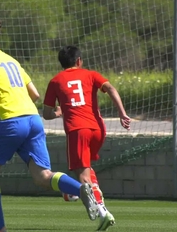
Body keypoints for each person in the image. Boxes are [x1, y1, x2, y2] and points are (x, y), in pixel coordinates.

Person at [0, 18, 99, 232]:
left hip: (10, 122)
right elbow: (34, 94)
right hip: (33, 120)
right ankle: (81, 189)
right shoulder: (12, 61)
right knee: (43, 176)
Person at [42, 45, 131, 231]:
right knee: (88, 170)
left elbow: (46, 113)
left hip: (78, 130)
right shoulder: (91, 74)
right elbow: (111, 88)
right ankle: (92, 195)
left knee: (82, 177)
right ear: (79, 61)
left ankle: (102, 211)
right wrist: (122, 114)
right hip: (98, 130)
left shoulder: (55, 81)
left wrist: (59, 111)